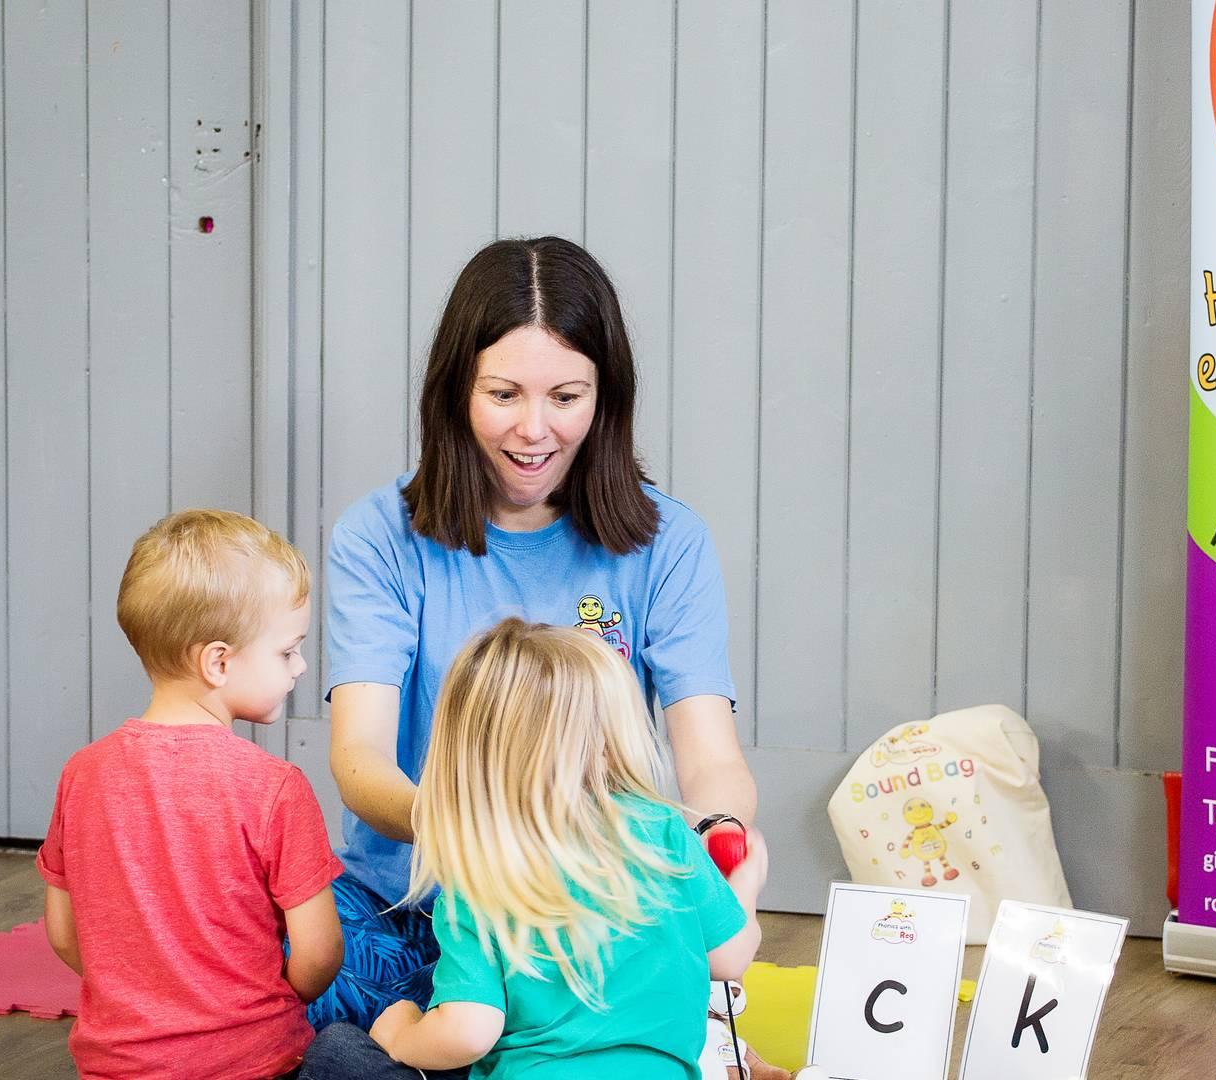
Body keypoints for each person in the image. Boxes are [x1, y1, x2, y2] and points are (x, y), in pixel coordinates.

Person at [318, 236, 759, 1027]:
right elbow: (358, 763)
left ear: (605, 397)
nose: (533, 430)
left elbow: (712, 760)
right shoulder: (377, 536)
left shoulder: (672, 543)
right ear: (456, 390)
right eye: (504, 395)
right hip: (417, 903)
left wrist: (714, 842)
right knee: (297, 978)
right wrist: (497, 840)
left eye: (565, 397)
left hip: (596, 918)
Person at [299, 618, 765, 1079]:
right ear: (607, 742)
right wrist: (746, 883)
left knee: (339, 1050)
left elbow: (467, 1031)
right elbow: (728, 958)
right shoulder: (663, 830)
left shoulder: (480, 870)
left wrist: (402, 1036)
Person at [37, 510, 343, 1080]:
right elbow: (320, 954)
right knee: (350, 1047)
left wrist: (133, 998)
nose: (301, 666)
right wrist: (277, 1000)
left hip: (114, 1066)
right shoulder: (276, 786)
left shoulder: (80, 774)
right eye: (287, 651)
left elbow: (63, 932)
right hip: (256, 1062)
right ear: (218, 662)